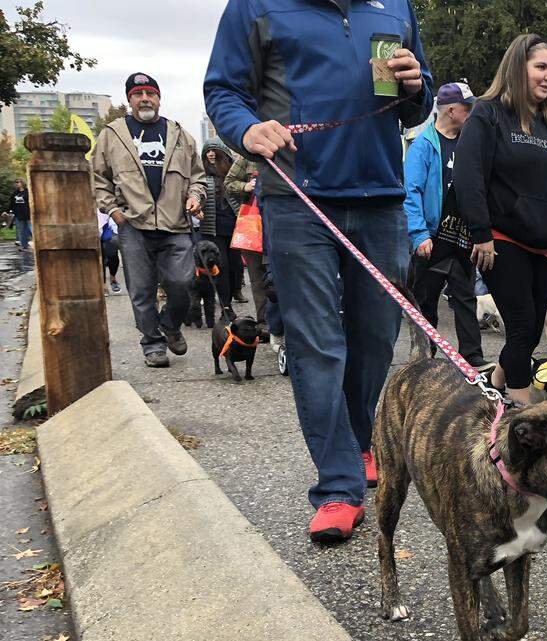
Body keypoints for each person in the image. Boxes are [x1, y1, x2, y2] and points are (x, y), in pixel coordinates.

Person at [205, 0, 433, 541]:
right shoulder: (256, 6)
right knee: (318, 343)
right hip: (297, 197)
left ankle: (357, 443)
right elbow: (223, 90)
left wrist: (415, 87)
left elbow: (415, 105)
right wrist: (247, 130)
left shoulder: (396, 5)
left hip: (381, 196)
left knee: (377, 337)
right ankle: (337, 485)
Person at [454, 33, 547, 406]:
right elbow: (468, 176)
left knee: (532, 329)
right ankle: (523, 409)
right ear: (518, 68)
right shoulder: (488, 114)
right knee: (520, 327)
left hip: (546, 244)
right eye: (540, 67)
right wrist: (480, 232)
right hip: (502, 239)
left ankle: (494, 385)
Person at [93, 72, 206, 368]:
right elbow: (98, 178)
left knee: (183, 283)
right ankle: (152, 343)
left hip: (175, 225)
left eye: (150, 93)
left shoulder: (180, 134)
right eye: (137, 93)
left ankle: (170, 324)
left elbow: (198, 177)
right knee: (141, 290)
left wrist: (195, 196)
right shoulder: (112, 134)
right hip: (133, 225)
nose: (144, 98)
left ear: (159, 98)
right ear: (129, 99)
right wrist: (113, 211)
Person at [404, 82, 493, 372]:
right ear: (452, 110)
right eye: (468, 109)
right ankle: (424, 357)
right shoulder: (424, 145)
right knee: (425, 301)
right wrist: (418, 234)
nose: (471, 113)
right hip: (432, 237)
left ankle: (472, 357)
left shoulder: (470, 141)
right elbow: (411, 191)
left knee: (465, 297)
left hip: (462, 237)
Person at [224, 155, 270, 340]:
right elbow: (228, 183)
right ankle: (264, 322)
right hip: (253, 224)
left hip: (285, 220)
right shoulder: (247, 156)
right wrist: (246, 186)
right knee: (257, 275)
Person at [199, 140, 243, 309]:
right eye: (207, 151)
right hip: (212, 228)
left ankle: (234, 291)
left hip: (234, 226)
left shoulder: (231, 174)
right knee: (221, 265)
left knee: (235, 265)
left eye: (214, 150)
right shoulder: (201, 174)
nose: (210, 154)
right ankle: (226, 304)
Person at [97, 210, 122, 294]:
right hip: (91, 230)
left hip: (106, 230)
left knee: (112, 255)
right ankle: (103, 284)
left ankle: (112, 277)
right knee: (99, 258)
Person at [8, 179, 31, 251]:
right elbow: (12, 203)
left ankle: (35, 244)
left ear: (22, 183)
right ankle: (24, 247)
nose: (17, 184)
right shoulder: (15, 193)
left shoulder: (28, 192)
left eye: (18, 182)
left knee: (30, 229)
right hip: (19, 214)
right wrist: (6, 211)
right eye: (16, 182)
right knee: (22, 231)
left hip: (28, 213)